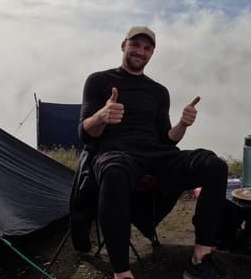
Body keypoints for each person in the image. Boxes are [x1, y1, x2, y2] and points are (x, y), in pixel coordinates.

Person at [79, 26, 228, 279]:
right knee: (114, 173)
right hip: (116, 154)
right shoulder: (99, 80)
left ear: (151, 54)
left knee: (214, 165)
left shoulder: (159, 91)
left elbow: (167, 140)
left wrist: (183, 124)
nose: (141, 51)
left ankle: (200, 258)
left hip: (157, 156)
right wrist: (102, 116)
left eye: (147, 48)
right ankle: (121, 273)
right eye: (136, 45)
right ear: (123, 45)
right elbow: (84, 133)